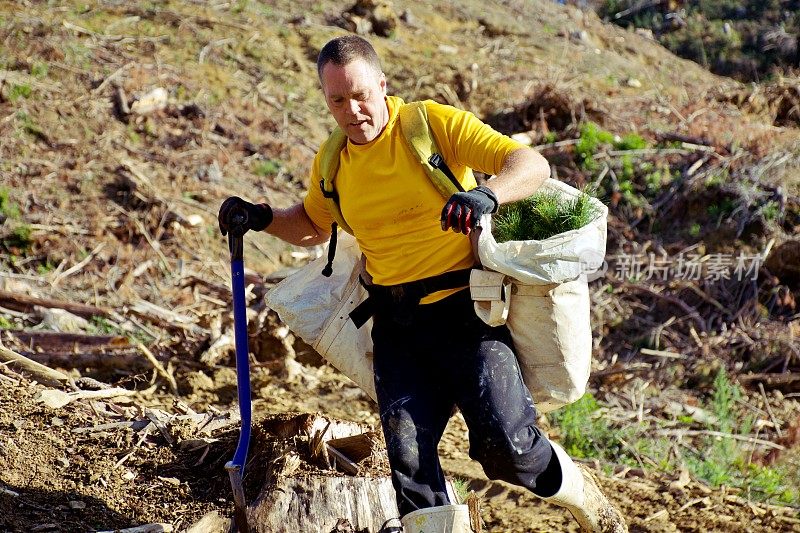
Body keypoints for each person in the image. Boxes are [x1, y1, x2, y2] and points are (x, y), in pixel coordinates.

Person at [219, 35, 627, 533]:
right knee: (410, 467)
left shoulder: (429, 125)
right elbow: (311, 223)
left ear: (382, 85)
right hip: (397, 325)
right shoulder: (333, 163)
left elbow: (531, 165)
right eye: (337, 100)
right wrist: (260, 217)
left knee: (508, 450)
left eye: (361, 94)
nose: (352, 110)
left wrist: (487, 195)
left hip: (467, 313)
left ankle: (587, 499)